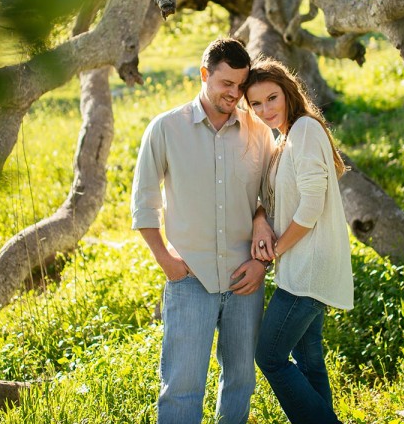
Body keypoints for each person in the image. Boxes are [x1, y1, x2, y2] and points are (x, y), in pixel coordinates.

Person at [131, 38, 276, 424]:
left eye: (241, 85)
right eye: (227, 83)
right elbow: (144, 205)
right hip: (189, 278)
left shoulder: (259, 132)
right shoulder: (165, 129)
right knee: (181, 386)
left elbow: (272, 199)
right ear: (204, 75)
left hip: (245, 277)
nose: (236, 93)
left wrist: (261, 240)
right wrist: (167, 262)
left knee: (241, 383)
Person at [244, 58, 354, 424]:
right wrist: (261, 219)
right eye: (255, 104)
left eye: (272, 98)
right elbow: (271, 200)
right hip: (301, 266)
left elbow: (311, 205)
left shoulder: (305, 129)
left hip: (308, 268)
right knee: (309, 361)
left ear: (288, 92)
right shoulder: (285, 138)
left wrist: (275, 249)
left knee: (270, 357)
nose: (265, 110)